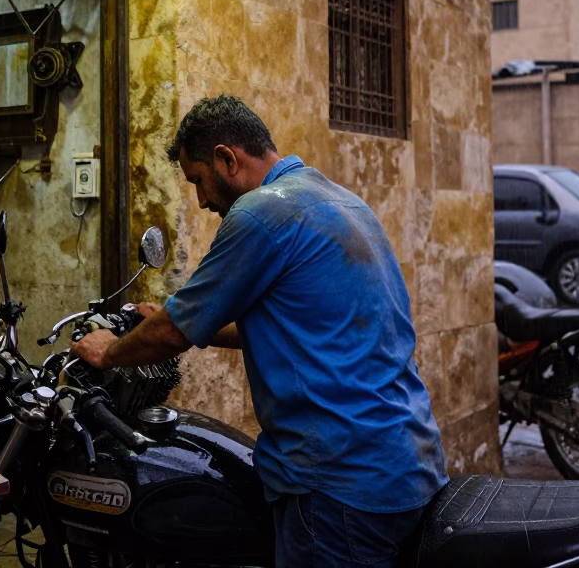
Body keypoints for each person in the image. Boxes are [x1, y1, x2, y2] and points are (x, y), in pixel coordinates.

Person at [72, 95, 448, 567]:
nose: (203, 200)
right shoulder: (341, 201)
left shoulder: (259, 213)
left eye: (198, 181)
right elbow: (294, 324)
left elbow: (174, 334)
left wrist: (108, 350)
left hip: (336, 485)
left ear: (227, 158)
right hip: (408, 463)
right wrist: (175, 317)